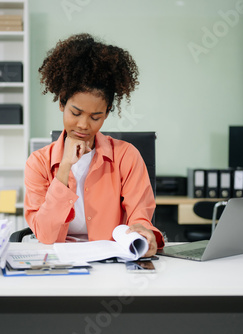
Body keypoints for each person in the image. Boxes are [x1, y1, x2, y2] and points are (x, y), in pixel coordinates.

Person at [24, 33, 164, 256]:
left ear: (107, 113)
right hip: (59, 260)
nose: (83, 125)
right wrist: (64, 169)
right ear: (62, 102)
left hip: (112, 261)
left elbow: (140, 216)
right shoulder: (38, 163)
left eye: (95, 116)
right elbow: (46, 235)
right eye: (75, 113)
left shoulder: (126, 156)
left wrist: (142, 231)